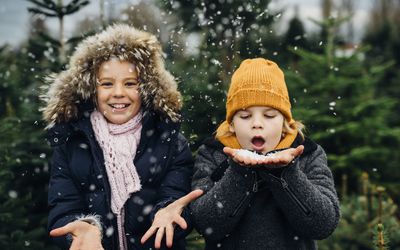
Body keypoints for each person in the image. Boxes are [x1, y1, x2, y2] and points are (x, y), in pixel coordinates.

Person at [41, 24, 202, 250]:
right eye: (107, 83)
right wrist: (82, 227)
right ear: (91, 89)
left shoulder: (169, 140)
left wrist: (169, 212)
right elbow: (63, 207)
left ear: (146, 88)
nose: (118, 93)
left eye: (130, 83)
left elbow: (175, 196)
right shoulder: (72, 143)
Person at [190, 58, 340, 249]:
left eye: (269, 115)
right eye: (245, 116)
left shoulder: (308, 154)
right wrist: (238, 172)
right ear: (232, 124)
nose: (257, 123)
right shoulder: (212, 155)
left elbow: (323, 225)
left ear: (285, 122)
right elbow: (205, 224)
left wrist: (285, 173)